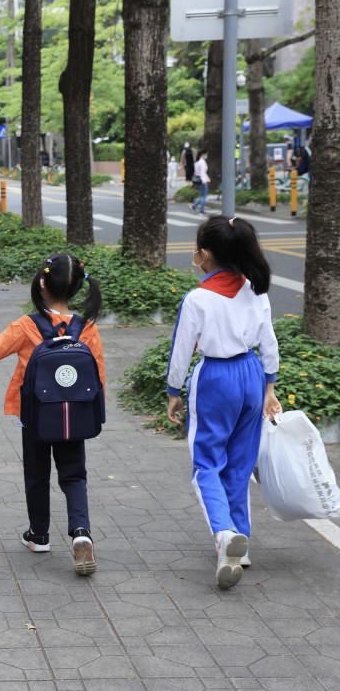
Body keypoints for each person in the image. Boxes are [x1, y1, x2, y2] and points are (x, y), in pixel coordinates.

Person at [0, 254, 105, 576]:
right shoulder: (88, 329)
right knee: (74, 475)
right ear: (77, 289)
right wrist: (94, 415)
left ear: (42, 284)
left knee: (37, 474)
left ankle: (39, 535)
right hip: (75, 417)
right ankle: (81, 532)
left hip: (36, 416)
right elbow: (98, 377)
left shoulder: (27, 326)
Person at [165, 215, 282, 590]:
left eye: (197, 249)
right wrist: (270, 387)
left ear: (207, 254)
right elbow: (270, 342)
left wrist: (173, 391)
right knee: (240, 463)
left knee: (206, 466)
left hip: (215, 378)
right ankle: (241, 546)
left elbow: (182, 350)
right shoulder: (255, 288)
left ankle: (224, 534)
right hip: (252, 375)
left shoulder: (198, 298)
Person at [190, 149, 210, 215]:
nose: (206, 155)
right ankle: (201, 211)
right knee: (204, 196)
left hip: (197, 180)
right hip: (202, 180)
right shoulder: (202, 162)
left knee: (203, 196)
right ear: (203, 154)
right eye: (206, 154)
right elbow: (202, 172)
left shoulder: (197, 162)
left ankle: (194, 206)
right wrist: (204, 180)